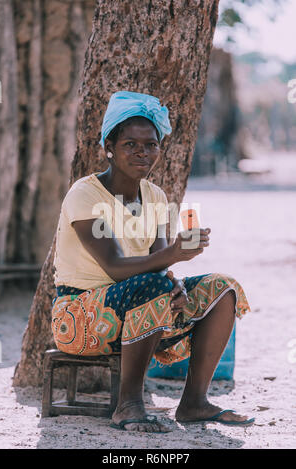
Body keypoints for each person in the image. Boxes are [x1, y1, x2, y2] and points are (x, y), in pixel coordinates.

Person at [51, 91, 254, 433]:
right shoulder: (85, 195)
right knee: (153, 286)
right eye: (130, 144)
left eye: (150, 144)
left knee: (223, 288)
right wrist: (173, 256)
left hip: (143, 305)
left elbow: (157, 265)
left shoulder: (156, 197)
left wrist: (175, 284)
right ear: (109, 148)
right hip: (79, 316)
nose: (142, 152)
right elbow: (115, 267)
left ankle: (194, 402)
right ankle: (128, 405)